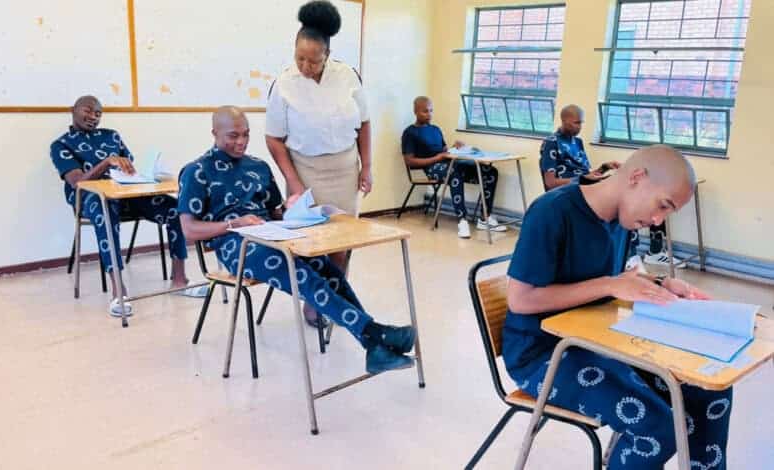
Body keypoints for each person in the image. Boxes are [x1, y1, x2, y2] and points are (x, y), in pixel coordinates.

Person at [504, 144, 731, 469]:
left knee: (709, 390)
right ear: (636, 177)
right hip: (542, 355)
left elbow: (617, 277)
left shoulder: (623, 220)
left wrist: (658, 284)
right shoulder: (552, 212)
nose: (657, 220)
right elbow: (520, 299)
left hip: (597, 340)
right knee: (657, 428)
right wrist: (609, 285)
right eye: (662, 206)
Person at [178, 106, 415, 374]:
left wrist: (294, 209)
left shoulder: (258, 167)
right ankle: (374, 334)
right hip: (237, 245)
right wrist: (234, 224)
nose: (241, 142)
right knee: (298, 271)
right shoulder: (197, 171)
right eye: (233, 136)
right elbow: (189, 230)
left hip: (271, 234)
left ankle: (373, 343)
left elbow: (275, 213)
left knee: (325, 267)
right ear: (214, 133)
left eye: (246, 134)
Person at [265, 0, 370, 326]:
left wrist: (367, 166)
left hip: (344, 170)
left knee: (341, 243)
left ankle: (335, 302)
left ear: (328, 54)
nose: (305, 66)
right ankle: (313, 303)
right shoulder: (284, 84)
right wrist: (294, 183)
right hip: (305, 170)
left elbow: (364, 123)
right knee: (311, 243)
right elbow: (274, 139)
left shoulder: (348, 76)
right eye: (300, 58)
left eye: (313, 60)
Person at [49, 95, 203, 317]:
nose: (93, 117)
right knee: (106, 208)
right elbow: (78, 182)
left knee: (175, 210)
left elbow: (127, 167)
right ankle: (119, 291)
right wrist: (106, 163)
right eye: (88, 110)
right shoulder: (61, 145)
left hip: (125, 194)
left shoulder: (111, 136)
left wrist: (147, 175)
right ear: (73, 110)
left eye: (98, 113)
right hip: (90, 199)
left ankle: (179, 280)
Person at [540, 104, 681, 268]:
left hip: (587, 186)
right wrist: (583, 178)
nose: (579, 127)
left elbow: (588, 174)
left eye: (581, 123)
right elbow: (551, 183)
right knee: (624, 202)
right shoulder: (551, 143)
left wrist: (604, 167)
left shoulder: (577, 142)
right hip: (572, 193)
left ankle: (652, 251)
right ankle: (630, 256)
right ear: (564, 120)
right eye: (576, 123)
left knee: (645, 192)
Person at [401, 96, 505, 238]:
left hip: (448, 163)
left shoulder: (435, 129)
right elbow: (410, 161)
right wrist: (437, 158)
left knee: (490, 171)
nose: (429, 114)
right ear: (415, 111)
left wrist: (455, 148)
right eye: (425, 111)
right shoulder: (410, 133)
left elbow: (444, 151)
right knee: (454, 173)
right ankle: (462, 220)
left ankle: (485, 218)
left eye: (431, 111)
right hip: (432, 168)